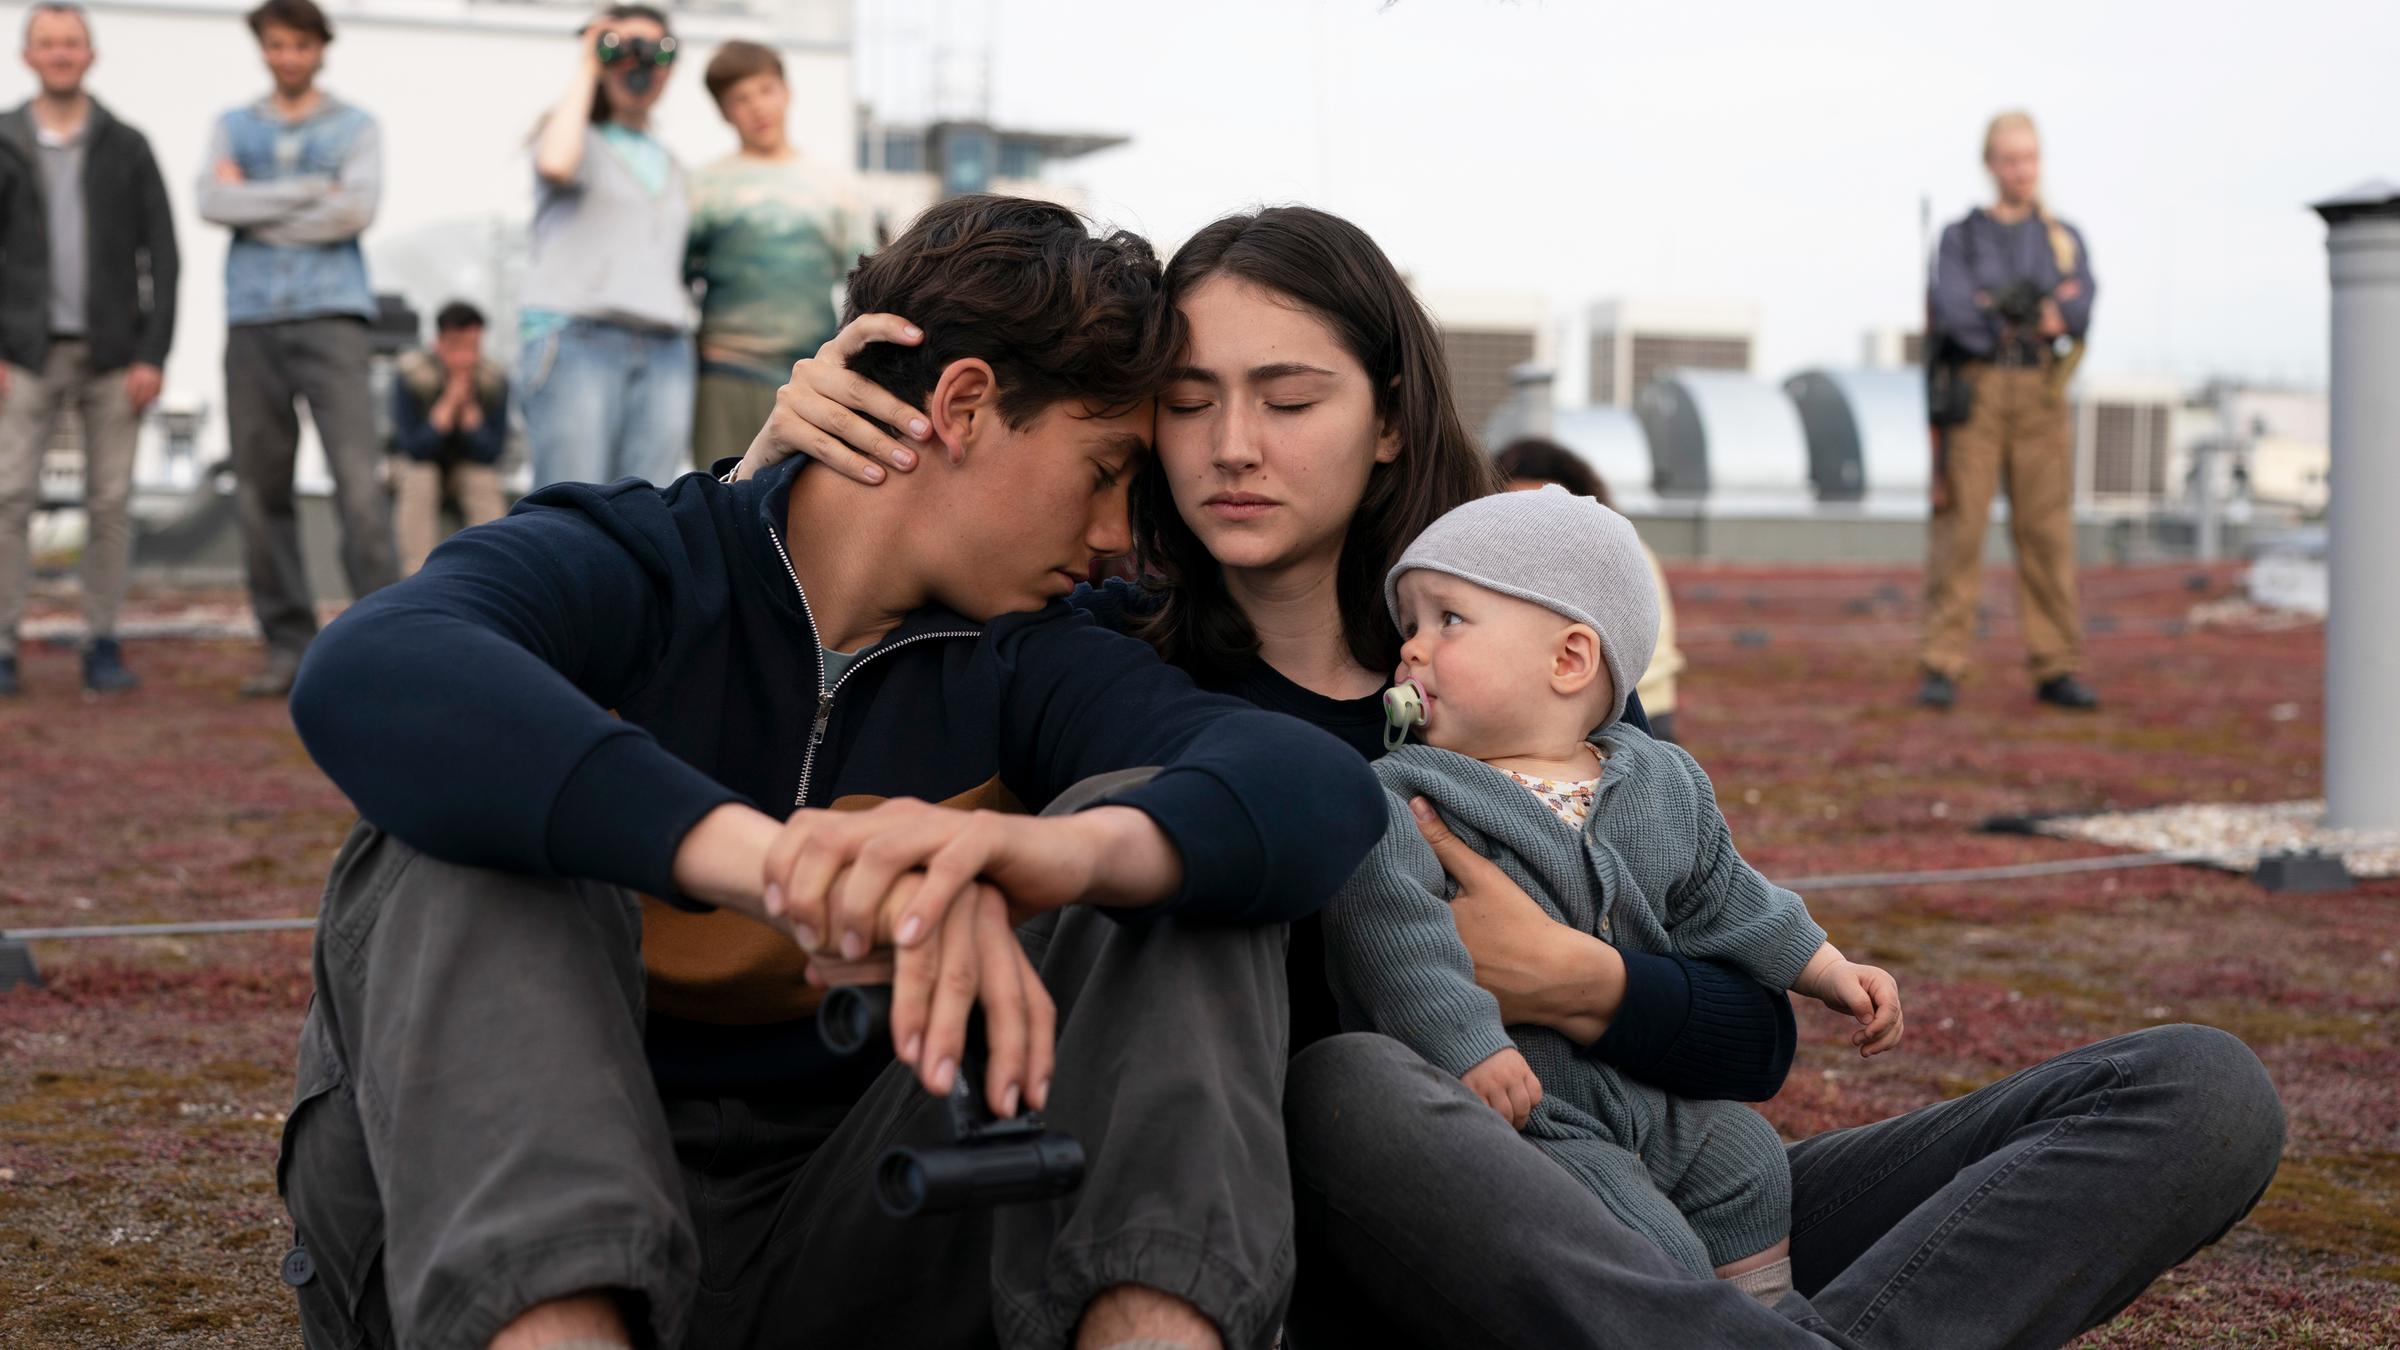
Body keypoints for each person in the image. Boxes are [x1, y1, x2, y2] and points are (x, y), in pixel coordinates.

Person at [745, 201, 2284, 1349]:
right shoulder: (1099, 662)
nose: (1231, 444)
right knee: (1358, 1082)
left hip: (1649, 1200)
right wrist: (773, 461)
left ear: (1389, 413)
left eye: (1290, 398)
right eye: (1193, 400)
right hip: (1385, 1217)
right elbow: (831, 591)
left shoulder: (1529, 653)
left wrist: (1572, 979)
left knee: (2195, 1090)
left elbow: (1746, 1032)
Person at [277, 194, 1384, 1350]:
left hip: (851, 1246)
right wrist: (775, 865)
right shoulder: (648, 563)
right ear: (963, 406)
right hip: (496, 1245)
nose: (1118, 531)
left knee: (1166, 856)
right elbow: (372, 665)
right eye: (1105, 469)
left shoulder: (1030, 655)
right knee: (462, 830)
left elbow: (1305, 783)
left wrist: (1050, 854)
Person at [1327, 486, 1902, 1307]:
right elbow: (1393, 936)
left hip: (1653, 1095)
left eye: (1447, 620)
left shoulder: (1663, 781)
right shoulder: (1407, 793)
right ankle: (1712, 1326)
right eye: (1409, 626)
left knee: (1749, 1162)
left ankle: (1772, 1322)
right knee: (1645, 1238)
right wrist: (1466, 1046)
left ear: (1569, 660)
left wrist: (1826, 966)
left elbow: (1726, 896)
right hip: (1537, 1109)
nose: (1411, 651)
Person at [197, 0, 396, 698]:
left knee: (359, 487)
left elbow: (355, 212)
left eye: (300, 45)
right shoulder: (232, 123)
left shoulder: (356, 126)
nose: (288, 57)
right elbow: (210, 203)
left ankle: (388, 640)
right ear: (263, 49)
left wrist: (257, 202)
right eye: (276, 45)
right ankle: (286, 644)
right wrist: (313, 191)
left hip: (333, 318)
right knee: (261, 490)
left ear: (320, 49)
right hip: (251, 321)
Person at [0, 1, 175, 697]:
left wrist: (153, 353)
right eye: (48, 43)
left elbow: (162, 255)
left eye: (72, 42)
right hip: (23, 352)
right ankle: (3, 646)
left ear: (91, 54)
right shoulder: (3, 140)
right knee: (9, 498)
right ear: (28, 55)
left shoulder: (127, 145)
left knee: (110, 504)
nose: (61, 53)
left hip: (113, 356)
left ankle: (102, 642)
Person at [1920, 110, 2099, 714]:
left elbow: (2079, 306)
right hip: (1978, 392)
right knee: (1960, 530)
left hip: (2042, 394)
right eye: (2010, 158)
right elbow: (1955, 313)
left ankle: (2057, 665)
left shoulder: (2063, 236)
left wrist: (1996, 304)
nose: (2021, 169)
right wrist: (2024, 309)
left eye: (2030, 158)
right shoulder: (1960, 236)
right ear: (1991, 164)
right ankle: (1942, 663)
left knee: (2047, 532)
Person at [521, 4, 694, 490]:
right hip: (578, 340)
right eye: (623, 48)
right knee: (568, 514)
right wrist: (589, 63)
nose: (638, 63)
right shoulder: (573, 137)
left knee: (645, 513)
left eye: (654, 52)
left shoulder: (672, 163)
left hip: (664, 350)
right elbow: (556, 162)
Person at [684, 39, 863, 468]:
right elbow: (675, 275)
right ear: (724, 111)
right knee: (723, 495)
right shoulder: (701, 186)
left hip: (809, 374)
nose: (757, 108)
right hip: (724, 371)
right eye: (740, 99)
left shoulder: (837, 186)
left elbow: (864, 281)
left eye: (765, 90)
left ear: (786, 91)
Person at [1494, 435, 1686, 742]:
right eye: (1510, 508)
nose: (1527, 523)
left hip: (1634, 717)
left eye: (1544, 504)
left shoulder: (1617, 551)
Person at [389, 301, 509, 577]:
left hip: (463, 470)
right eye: (458, 346)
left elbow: (492, 453)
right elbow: (411, 449)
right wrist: (443, 413)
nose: (466, 358)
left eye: (474, 347)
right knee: (422, 476)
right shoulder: (412, 376)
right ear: (439, 343)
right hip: (413, 468)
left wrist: (471, 421)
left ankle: (494, 574)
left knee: (482, 480)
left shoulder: (492, 381)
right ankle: (417, 579)